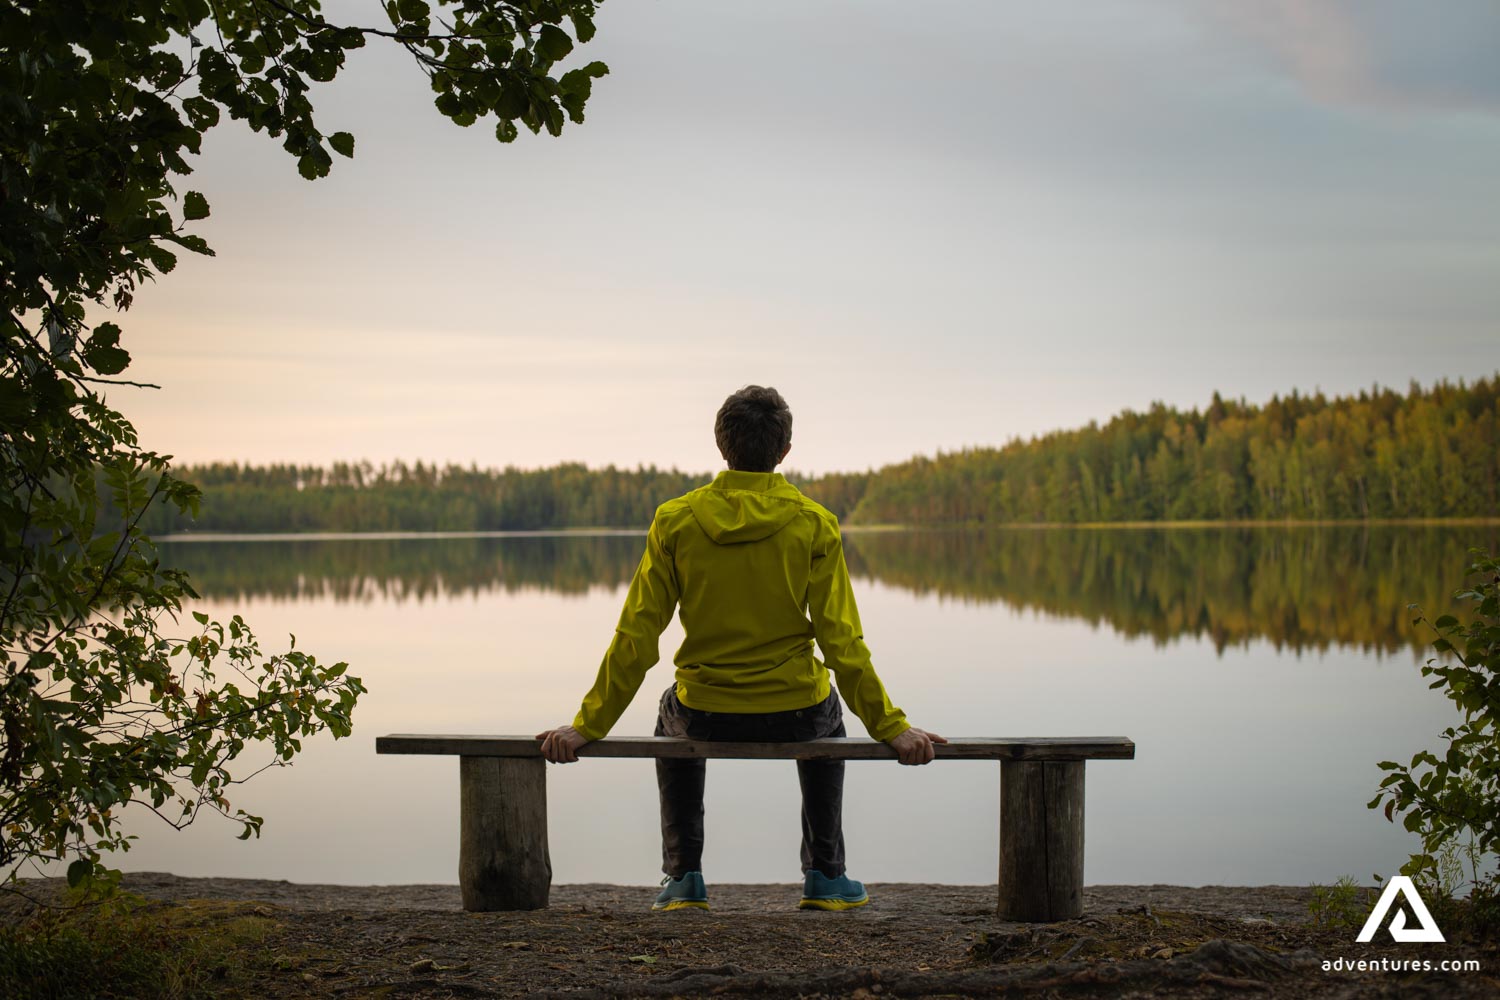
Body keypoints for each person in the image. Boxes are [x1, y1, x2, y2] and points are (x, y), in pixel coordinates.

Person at [535, 385, 945, 912]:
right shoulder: (814, 523)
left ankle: (683, 878)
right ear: (784, 452)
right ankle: (826, 876)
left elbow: (636, 637)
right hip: (796, 710)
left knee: (670, 710)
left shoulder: (676, 521)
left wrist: (588, 725)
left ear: (721, 444)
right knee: (829, 708)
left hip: (705, 711)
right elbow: (842, 644)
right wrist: (892, 726)